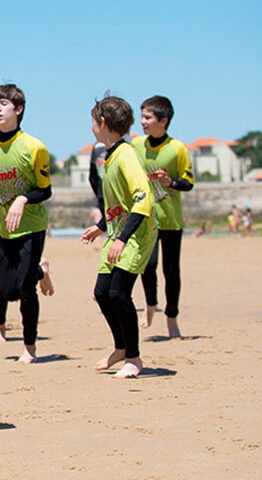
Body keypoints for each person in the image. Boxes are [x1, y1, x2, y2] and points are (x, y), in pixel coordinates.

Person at [0, 84, 54, 361]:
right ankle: (40, 272)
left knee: (24, 288)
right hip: (1, 228)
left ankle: (29, 348)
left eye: (3, 104)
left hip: (31, 227)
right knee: (5, 290)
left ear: (18, 109)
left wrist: (22, 200)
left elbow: (45, 190)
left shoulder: (34, 147)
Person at [81, 95, 157, 379]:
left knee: (118, 293)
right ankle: (121, 348)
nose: (91, 128)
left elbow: (143, 201)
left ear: (102, 123)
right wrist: (102, 226)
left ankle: (134, 359)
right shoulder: (110, 155)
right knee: (102, 293)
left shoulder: (126, 155)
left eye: (92, 122)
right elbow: (120, 203)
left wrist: (123, 238)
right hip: (117, 233)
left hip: (136, 235)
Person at [132, 95, 194, 338]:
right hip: (146, 217)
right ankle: (150, 305)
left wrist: (171, 182)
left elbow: (188, 183)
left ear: (163, 120)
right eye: (142, 117)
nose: (143, 122)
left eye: (148, 118)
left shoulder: (177, 149)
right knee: (148, 264)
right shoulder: (137, 146)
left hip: (171, 220)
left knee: (171, 270)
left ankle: (172, 318)